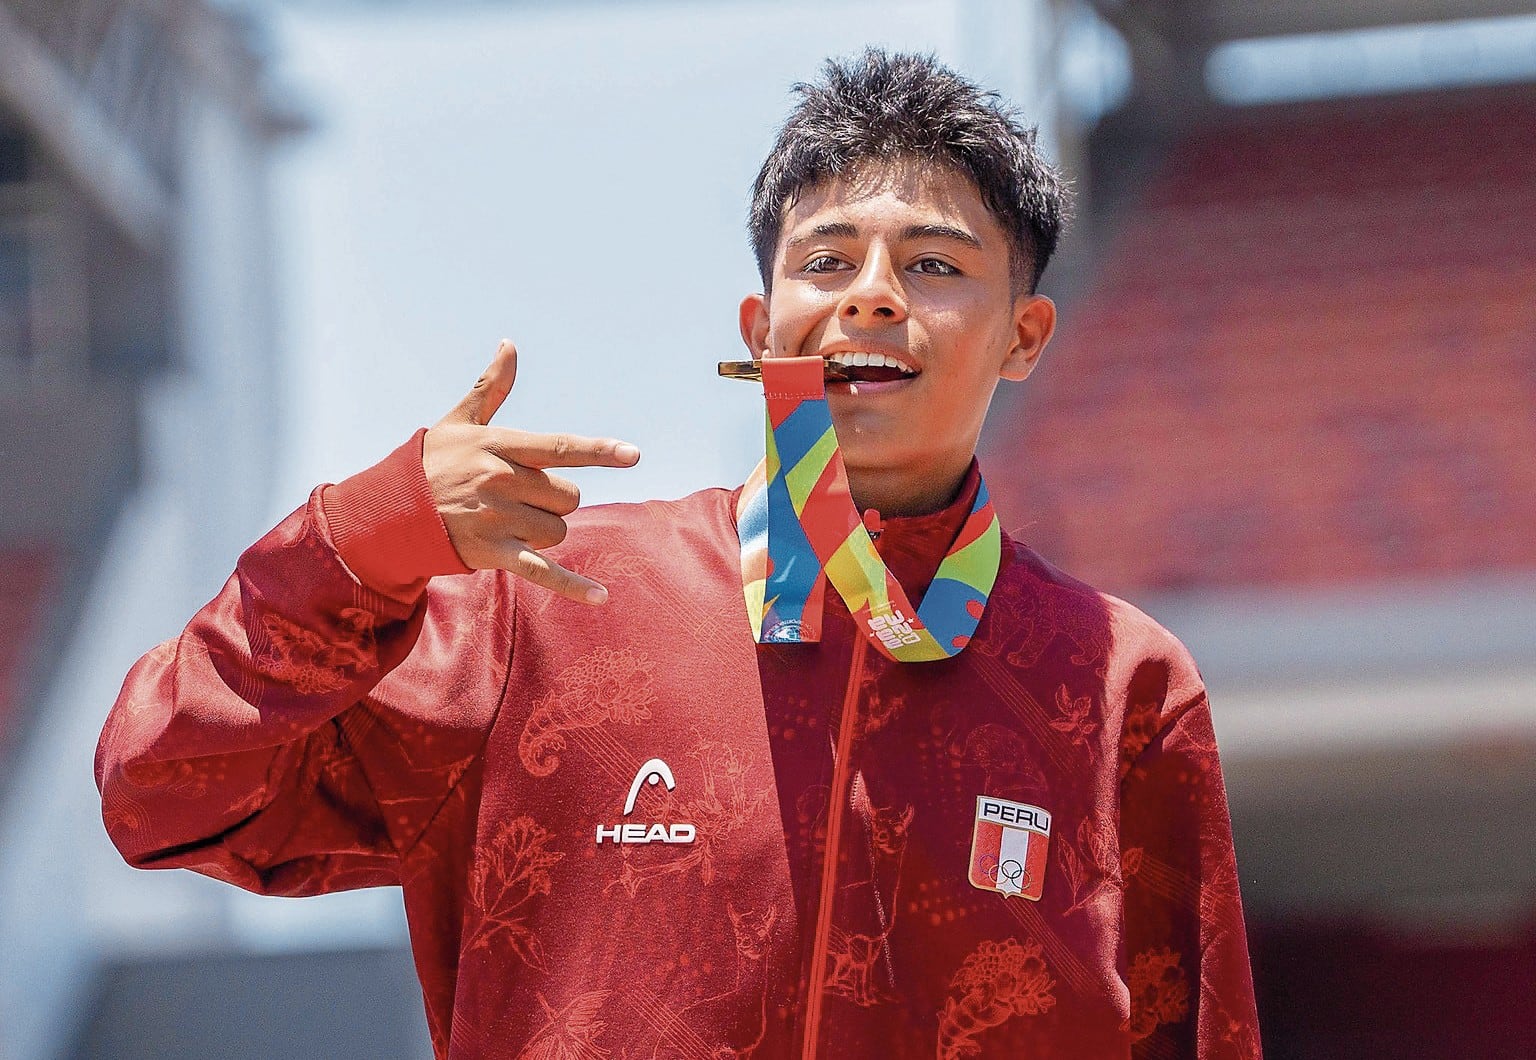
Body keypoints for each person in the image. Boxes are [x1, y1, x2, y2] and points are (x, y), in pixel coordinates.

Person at [97, 49, 1262, 1059]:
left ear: (1024, 335)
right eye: (826, 261)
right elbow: (158, 787)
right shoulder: (538, 615)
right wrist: (359, 542)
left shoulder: (1117, 683)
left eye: (934, 266)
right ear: (759, 331)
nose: (870, 298)